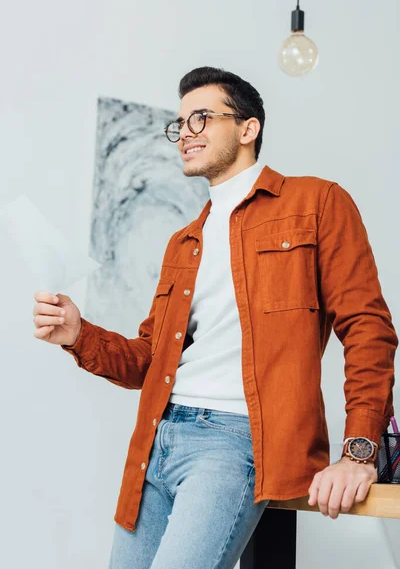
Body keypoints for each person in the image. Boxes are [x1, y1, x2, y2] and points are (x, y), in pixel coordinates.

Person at [33, 66, 398, 569]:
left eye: (201, 118)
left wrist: (359, 453)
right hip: (156, 442)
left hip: (233, 443)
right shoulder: (183, 242)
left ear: (249, 130)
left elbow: (368, 329)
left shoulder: (316, 202)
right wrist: (79, 334)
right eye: (180, 124)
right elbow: (147, 360)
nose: (186, 133)